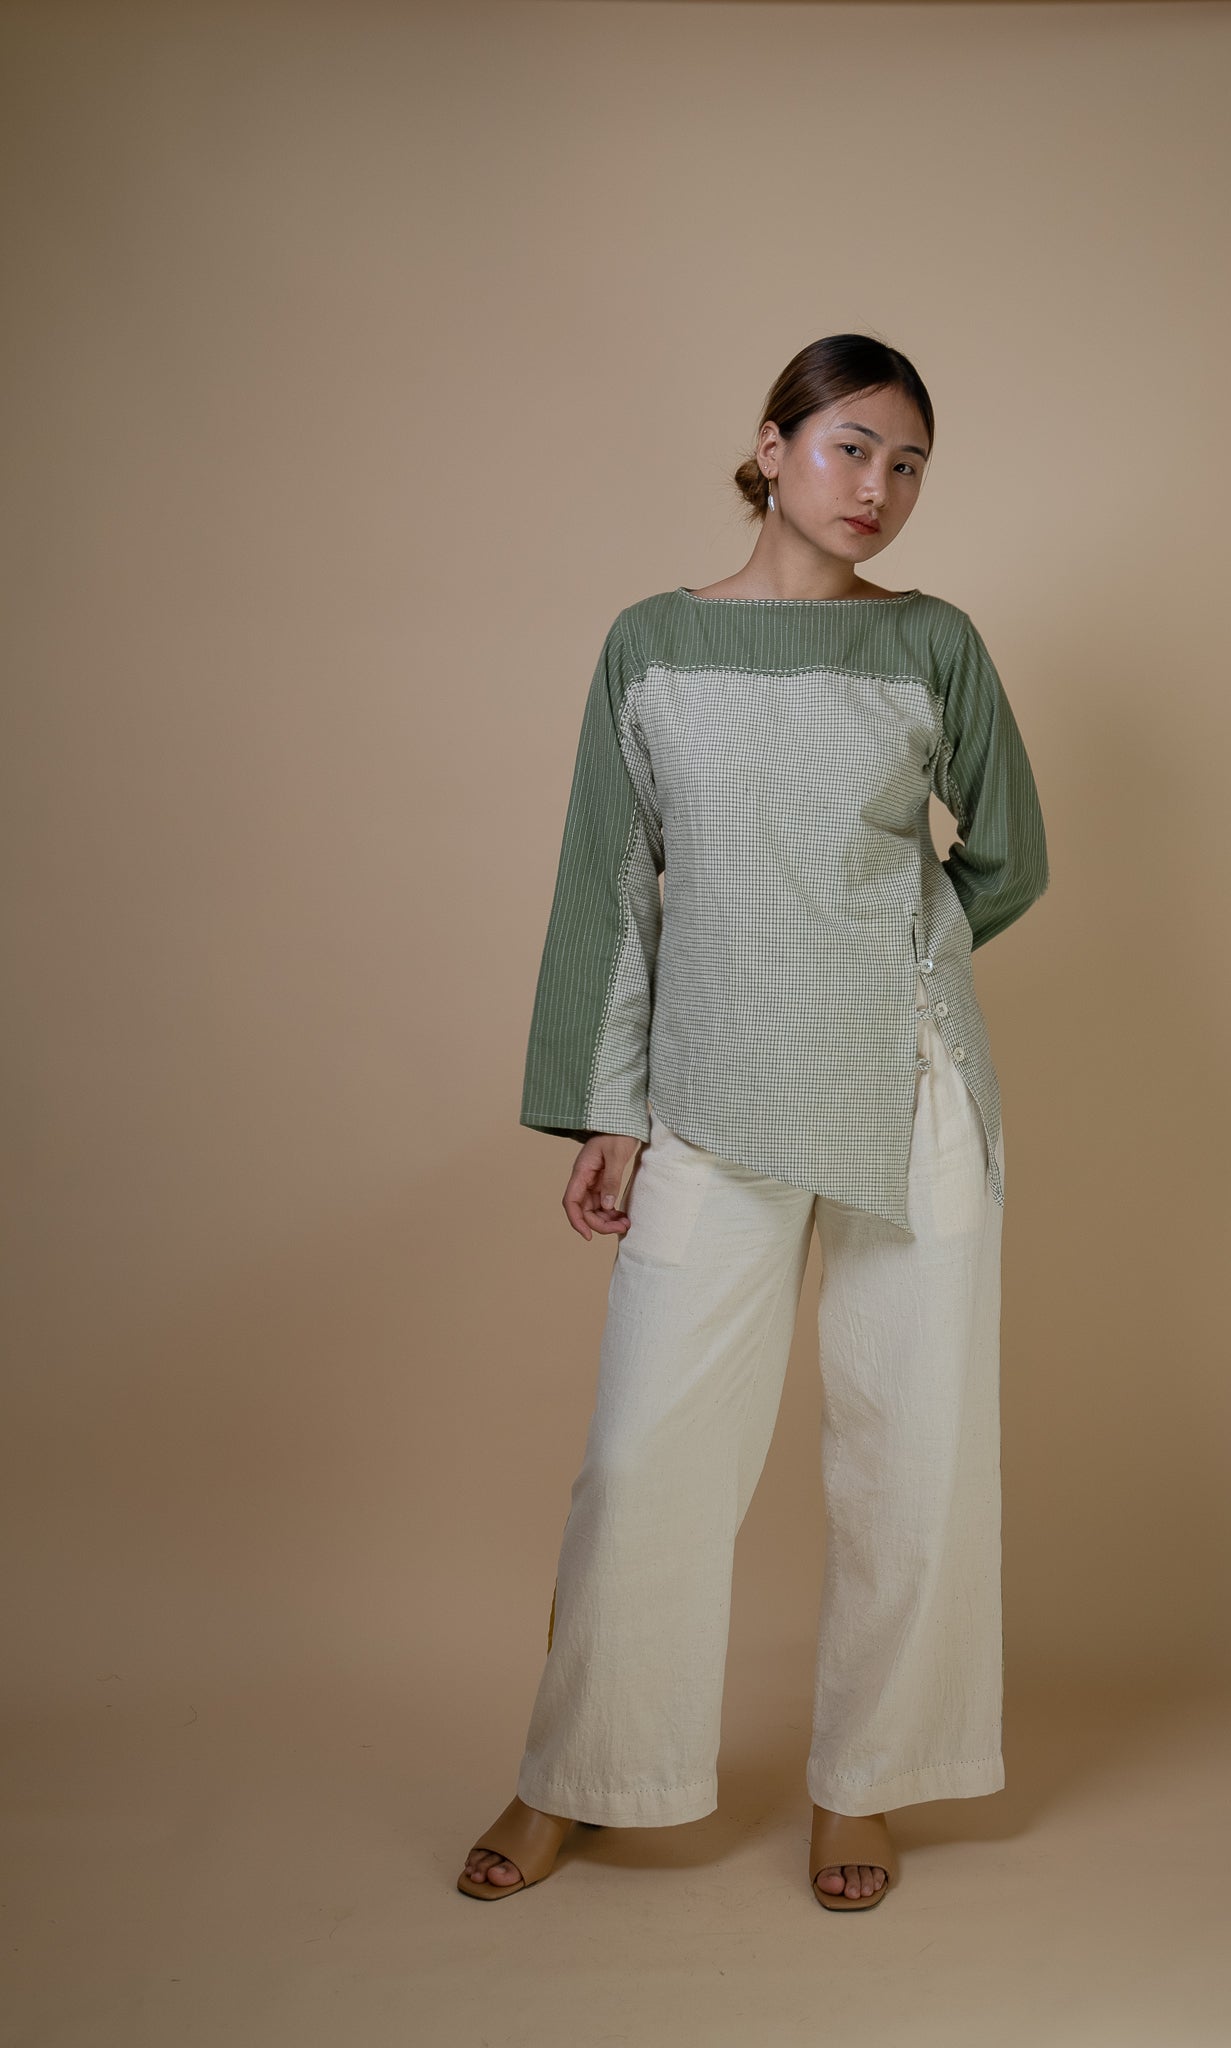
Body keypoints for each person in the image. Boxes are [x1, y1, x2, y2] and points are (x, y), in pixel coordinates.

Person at [458, 332, 1050, 1912]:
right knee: (644, 1455)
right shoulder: (652, 643)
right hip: (714, 1090)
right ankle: (579, 1774)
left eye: (910, 464)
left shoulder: (934, 643)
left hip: (909, 1085)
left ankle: (868, 1783)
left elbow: (1012, 854)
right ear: (774, 445)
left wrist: (909, 956)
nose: (880, 487)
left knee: (915, 1448)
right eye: (853, 446)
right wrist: (608, 1112)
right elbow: (612, 887)